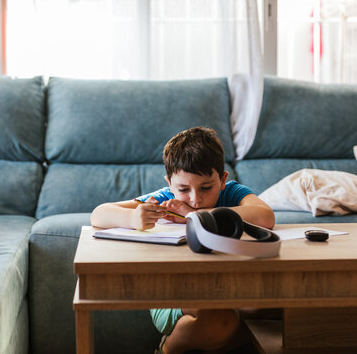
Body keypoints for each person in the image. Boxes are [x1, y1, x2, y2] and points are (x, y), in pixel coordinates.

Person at [90, 127, 275, 354]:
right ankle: (169, 347)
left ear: (223, 179)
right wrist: (131, 216)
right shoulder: (164, 198)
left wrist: (193, 216)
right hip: (170, 295)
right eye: (183, 189)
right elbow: (98, 214)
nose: (196, 199)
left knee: (265, 308)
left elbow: (265, 216)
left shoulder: (232, 192)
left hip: (228, 287)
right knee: (223, 319)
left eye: (206, 187)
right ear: (169, 183)